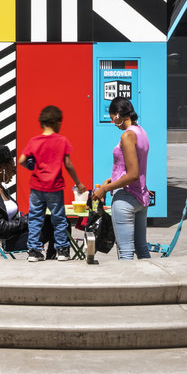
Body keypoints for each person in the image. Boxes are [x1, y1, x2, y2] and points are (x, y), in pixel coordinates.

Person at [16, 105, 85, 262]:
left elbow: (21, 160)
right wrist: (78, 183)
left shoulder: (34, 141)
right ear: (57, 122)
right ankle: (62, 250)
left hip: (36, 187)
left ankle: (34, 251)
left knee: (35, 219)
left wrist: (32, 166)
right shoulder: (61, 141)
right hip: (54, 187)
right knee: (59, 218)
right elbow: (68, 165)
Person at [92, 96, 151, 260]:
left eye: (112, 119)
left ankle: (127, 285)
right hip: (141, 196)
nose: (113, 123)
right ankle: (151, 284)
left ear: (118, 115)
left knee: (125, 253)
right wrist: (112, 179)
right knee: (142, 249)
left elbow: (132, 174)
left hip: (126, 200)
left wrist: (104, 189)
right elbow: (133, 168)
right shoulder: (141, 132)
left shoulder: (127, 136)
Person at [0, 143, 54, 255]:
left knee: (55, 219)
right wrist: (26, 220)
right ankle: (52, 256)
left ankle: (51, 256)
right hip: (12, 241)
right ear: (1, 169)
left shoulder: (1, 189)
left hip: (19, 233)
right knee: (57, 224)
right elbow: (0, 226)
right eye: (12, 168)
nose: (15, 172)